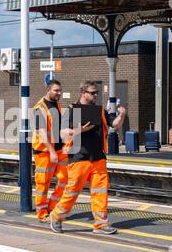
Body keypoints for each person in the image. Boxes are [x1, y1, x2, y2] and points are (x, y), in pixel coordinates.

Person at [50, 81, 126, 235]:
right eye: (92, 92)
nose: (95, 95)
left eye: (96, 92)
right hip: (79, 157)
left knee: (100, 191)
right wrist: (80, 130)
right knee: (72, 191)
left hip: (98, 157)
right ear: (83, 93)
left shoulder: (100, 111)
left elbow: (115, 124)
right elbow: (63, 134)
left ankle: (100, 223)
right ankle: (56, 216)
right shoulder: (72, 110)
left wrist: (122, 115)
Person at [32, 79, 68, 223]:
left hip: (59, 150)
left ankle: (52, 207)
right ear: (48, 90)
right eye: (56, 90)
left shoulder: (57, 104)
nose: (59, 93)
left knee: (66, 179)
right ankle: (41, 213)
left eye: (60, 90)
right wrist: (52, 151)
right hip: (45, 152)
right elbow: (41, 132)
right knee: (43, 184)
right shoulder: (39, 108)